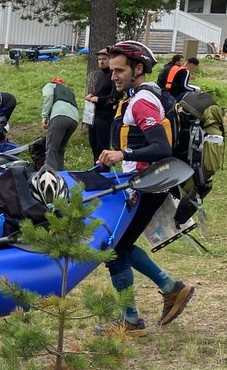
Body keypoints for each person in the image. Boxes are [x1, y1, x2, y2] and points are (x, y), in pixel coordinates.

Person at [94, 42, 195, 337]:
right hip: (144, 184)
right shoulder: (140, 96)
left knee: (115, 249)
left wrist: (122, 155)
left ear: (138, 69)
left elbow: (160, 148)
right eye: (111, 70)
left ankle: (133, 318)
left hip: (146, 187)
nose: (113, 75)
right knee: (119, 245)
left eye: (120, 69)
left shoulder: (142, 101)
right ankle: (169, 289)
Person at [40, 77, 79, 171]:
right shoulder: (69, 92)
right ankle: (60, 172)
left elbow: (48, 96)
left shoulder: (50, 85)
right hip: (74, 119)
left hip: (60, 115)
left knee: (51, 147)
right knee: (60, 149)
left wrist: (44, 116)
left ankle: (48, 173)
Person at [85, 47, 117, 160]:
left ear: (110, 60)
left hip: (106, 116)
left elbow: (115, 96)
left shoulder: (113, 75)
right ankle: (96, 167)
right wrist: (92, 95)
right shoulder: (101, 74)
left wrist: (98, 99)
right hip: (95, 115)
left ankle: (103, 171)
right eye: (99, 59)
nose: (101, 62)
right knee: (93, 142)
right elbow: (100, 91)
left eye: (104, 59)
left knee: (102, 145)